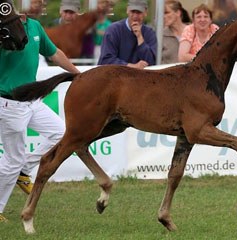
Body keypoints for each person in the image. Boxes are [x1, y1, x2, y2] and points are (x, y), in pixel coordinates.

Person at [0, 2, 80, 222]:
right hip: (10, 104)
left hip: (31, 99)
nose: (38, 4)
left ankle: (24, 171)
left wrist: (78, 74)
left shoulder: (35, 26)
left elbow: (54, 54)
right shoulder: (2, 25)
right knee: (11, 161)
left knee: (61, 133)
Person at [98, 0, 157, 69]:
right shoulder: (113, 30)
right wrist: (131, 66)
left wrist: (140, 37)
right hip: (114, 77)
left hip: (139, 78)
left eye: (139, 12)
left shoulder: (150, 33)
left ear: (145, 13)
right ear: (127, 10)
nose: (135, 16)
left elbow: (151, 62)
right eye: (133, 11)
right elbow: (106, 59)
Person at [161, 0, 190, 64]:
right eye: (162, 13)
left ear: (178, 13)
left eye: (167, 12)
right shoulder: (161, 36)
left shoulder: (193, 31)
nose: (163, 16)